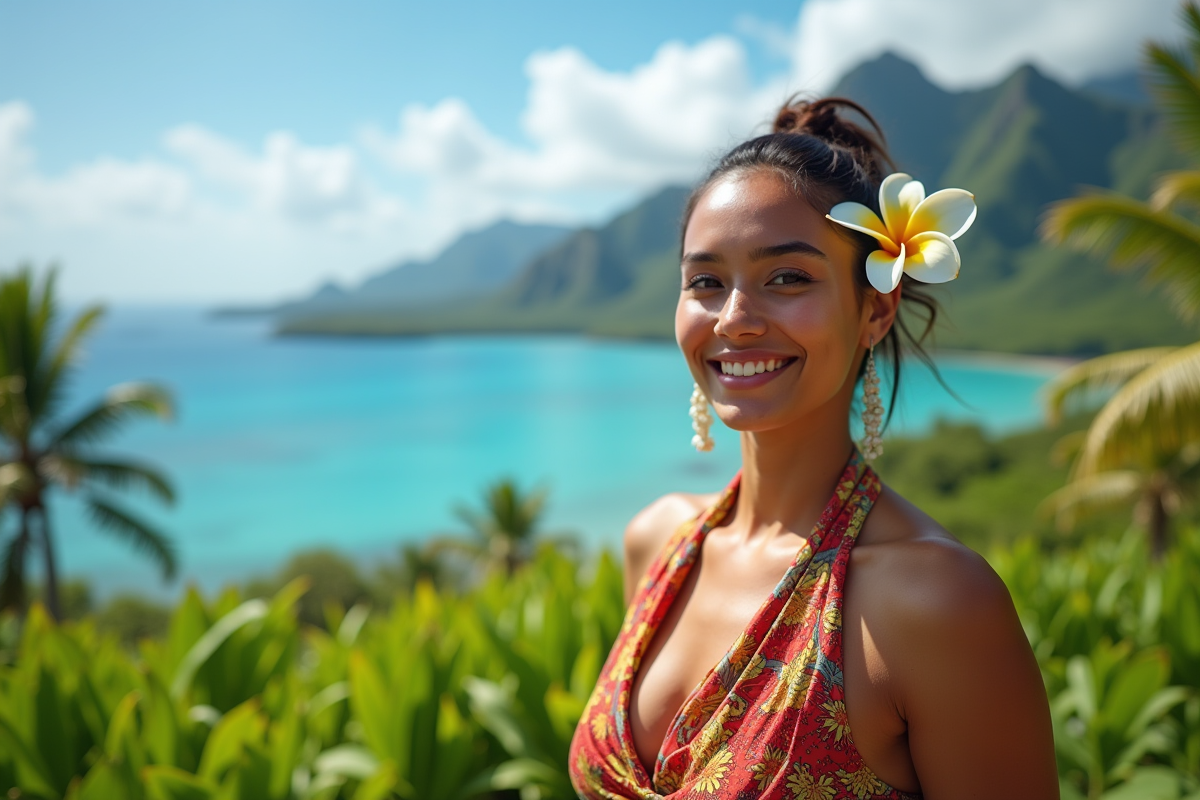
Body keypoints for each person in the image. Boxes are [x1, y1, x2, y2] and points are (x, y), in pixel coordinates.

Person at [567, 98, 1058, 799]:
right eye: (705, 281)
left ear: (874, 310)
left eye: (787, 278)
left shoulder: (935, 602)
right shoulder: (659, 541)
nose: (735, 318)